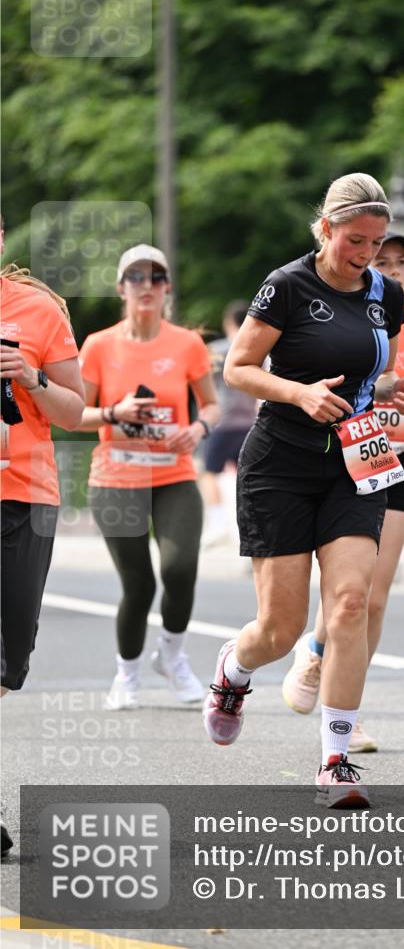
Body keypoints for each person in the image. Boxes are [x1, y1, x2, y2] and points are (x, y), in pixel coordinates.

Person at [202, 173, 404, 808]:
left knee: (350, 603)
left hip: (356, 457)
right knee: (280, 626)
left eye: (377, 245)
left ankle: (335, 758)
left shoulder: (385, 294)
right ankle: (234, 670)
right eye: (356, 241)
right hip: (281, 464)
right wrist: (299, 392)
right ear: (325, 229)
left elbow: (370, 374)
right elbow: (236, 367)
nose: (367, 256)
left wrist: (387, 392)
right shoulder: (287, 285)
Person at [282, 233, 404, 751]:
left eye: (403, 262)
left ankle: (339, 693)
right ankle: (319, 663)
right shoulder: (344, 310)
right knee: (350, 588)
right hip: (351, 448)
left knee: (374, 597)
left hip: (397, 455)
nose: (395, 269)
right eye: (384, 261)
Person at [77, 244, 220, 711]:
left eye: (156, 277)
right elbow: (73, 413)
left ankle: (172, 657)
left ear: (167, 289)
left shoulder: (186, 344)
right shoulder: (99, 345)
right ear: (121, 288)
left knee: (180, 570)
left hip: (173, 474)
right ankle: (127, 674)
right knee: (138, 585)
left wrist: (198, 427)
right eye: (136, 277)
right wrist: (115, 412)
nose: (147, 286)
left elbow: (213, 404)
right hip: (116, 477)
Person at [1, 215, 85, 857]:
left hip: (24, 496)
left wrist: (30, 378)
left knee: (9, 659)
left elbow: (74, 411)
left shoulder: (36, 310)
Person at [200, 301, 257, 547]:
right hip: (250, 424)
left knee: (208, 472)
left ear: (228, 323)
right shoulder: (258, 348)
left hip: (222, 422)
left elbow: (203, 384)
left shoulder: (217, 349)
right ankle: (250, 531)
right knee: (247, 480)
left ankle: (217, 523)